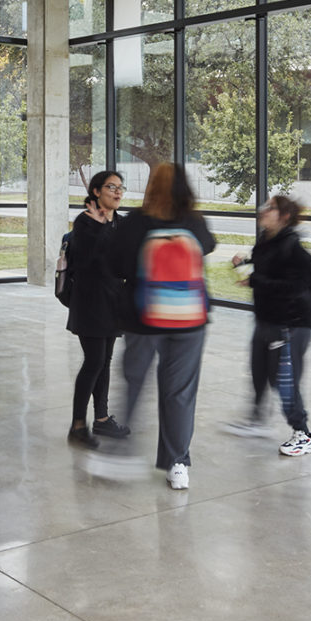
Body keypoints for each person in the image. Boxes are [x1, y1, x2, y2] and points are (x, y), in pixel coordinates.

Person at [105, 163, 215, 490]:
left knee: (134, 381)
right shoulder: (194, 221)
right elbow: (208, 247)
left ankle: (120, 452)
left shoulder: (136, 221)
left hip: (143, 318)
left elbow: (115, 265)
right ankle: (177, 463)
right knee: (179, 392)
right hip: (190, 319)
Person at [227, 195, 311, 455]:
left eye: (270, 208)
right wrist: (245, 265)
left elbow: (299, 284)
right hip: (267, 318)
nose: (264, 210)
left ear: (284, 217)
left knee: (285, 380)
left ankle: (303, 434)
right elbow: (267, 271)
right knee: (259, 368)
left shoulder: (291, 247)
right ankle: (257, 419)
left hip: (291, 323)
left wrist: (256, 281)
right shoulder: (266, 240)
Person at [66, 170, 129, 450]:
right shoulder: (84, 222)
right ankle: (78, 426)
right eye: (111, 187)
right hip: (90, 304)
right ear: (95, 191)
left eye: (120, 188)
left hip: (113, 303)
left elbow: (124, 263)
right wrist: (101, 228)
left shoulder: (121, 223)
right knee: (93, 362)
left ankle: (101, 418)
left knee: (104, 362)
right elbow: (87, 262)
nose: (117, 192)